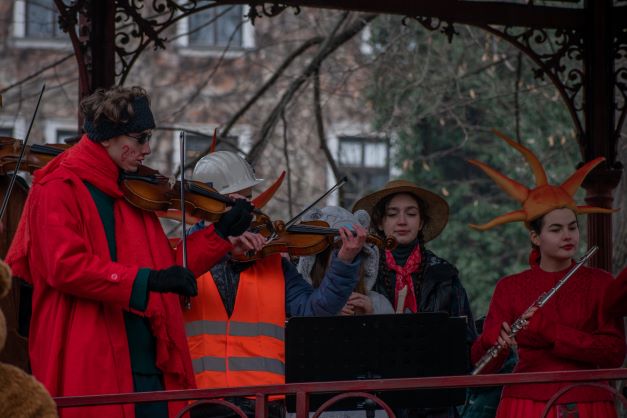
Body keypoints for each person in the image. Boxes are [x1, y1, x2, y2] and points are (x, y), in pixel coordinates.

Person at [5, 86, 254, 418]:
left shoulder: (132, 188)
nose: (147, 149)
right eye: (140, 138)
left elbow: (165, 268)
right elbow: (64, 266)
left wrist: (220, 234)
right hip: (93, 363)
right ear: (107, 137)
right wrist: (150, 281)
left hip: (149, 361)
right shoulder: (57, 186)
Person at [184, 151, 369, 418]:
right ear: (209, 203)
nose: (250, 206)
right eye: (240, 198)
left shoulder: (271, 259)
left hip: (264, 404)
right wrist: (219, 244)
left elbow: (315, 310)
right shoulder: (182, 258)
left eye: (249, 198)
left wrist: (344, 261)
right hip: (199, 403)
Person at [468, 131, 625, 418]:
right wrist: (495, 344)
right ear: (535, 237)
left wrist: (550, 331)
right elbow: (481, 365)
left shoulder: (601, 283)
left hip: (590, 404)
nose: (568, 236)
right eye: (556, 229)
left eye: (572, 227)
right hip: (525, 405)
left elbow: (614, 352)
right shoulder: (510, 287)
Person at [352, 179, 476, 418]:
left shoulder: (445, 276)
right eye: (392, 214)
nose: (402, 221)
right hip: (376, 402)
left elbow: (466, 342)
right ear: (380, 221)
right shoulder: (362, 275)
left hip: (435, 403)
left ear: (421, 223)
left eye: (411, 213)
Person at [297, 206, 393, 316]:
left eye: (354, 250)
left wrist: (371, 317)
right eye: (338, 249)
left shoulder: (378, 303)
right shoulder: (303, 304)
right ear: (318, 259)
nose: (347, 255)